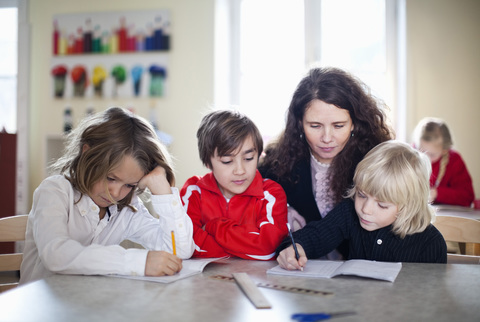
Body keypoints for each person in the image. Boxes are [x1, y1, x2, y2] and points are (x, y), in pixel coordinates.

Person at [20, 107, 195, 284]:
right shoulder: (54, 191)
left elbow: (177, 251)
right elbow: (56, 255)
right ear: (86, 152)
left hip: (86, 305)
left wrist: (163, 192)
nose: (116, 193)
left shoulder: (127, 209)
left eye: (129, 185)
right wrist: (138, 261)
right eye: (111, 178)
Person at [259, 67, 393, 259]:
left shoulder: (377, 161)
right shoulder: (281, 161)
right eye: (315, 126)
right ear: (299, 123)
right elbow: (249, 188)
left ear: (354, 123)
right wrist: (284, 208)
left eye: (338, 126)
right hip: (304, 275)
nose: (327, 138)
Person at [276, 140, 448, 270]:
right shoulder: (349, 213)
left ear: (408, 206)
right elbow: (317, 235)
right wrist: (295, 247)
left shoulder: (430, 243)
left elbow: (430, 296)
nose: (365, 209)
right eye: (361, 195)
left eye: (382, 205)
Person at [180, 110, 288, 260]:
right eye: (227, 161)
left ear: (258, 155)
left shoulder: (271, 193)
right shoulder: (194, 191)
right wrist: (243, 246)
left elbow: (268, 249)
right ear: (208, 162)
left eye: (249, 158)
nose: (240, 170)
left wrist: (214, 227)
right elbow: (184, 246)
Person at [412, 117, 475, 207]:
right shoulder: (409, 154)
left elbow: (467, 197)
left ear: (445, 150)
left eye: (432, 155)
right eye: (421, 151)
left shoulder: (454, 160)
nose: (425, 158)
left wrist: (437, 193)